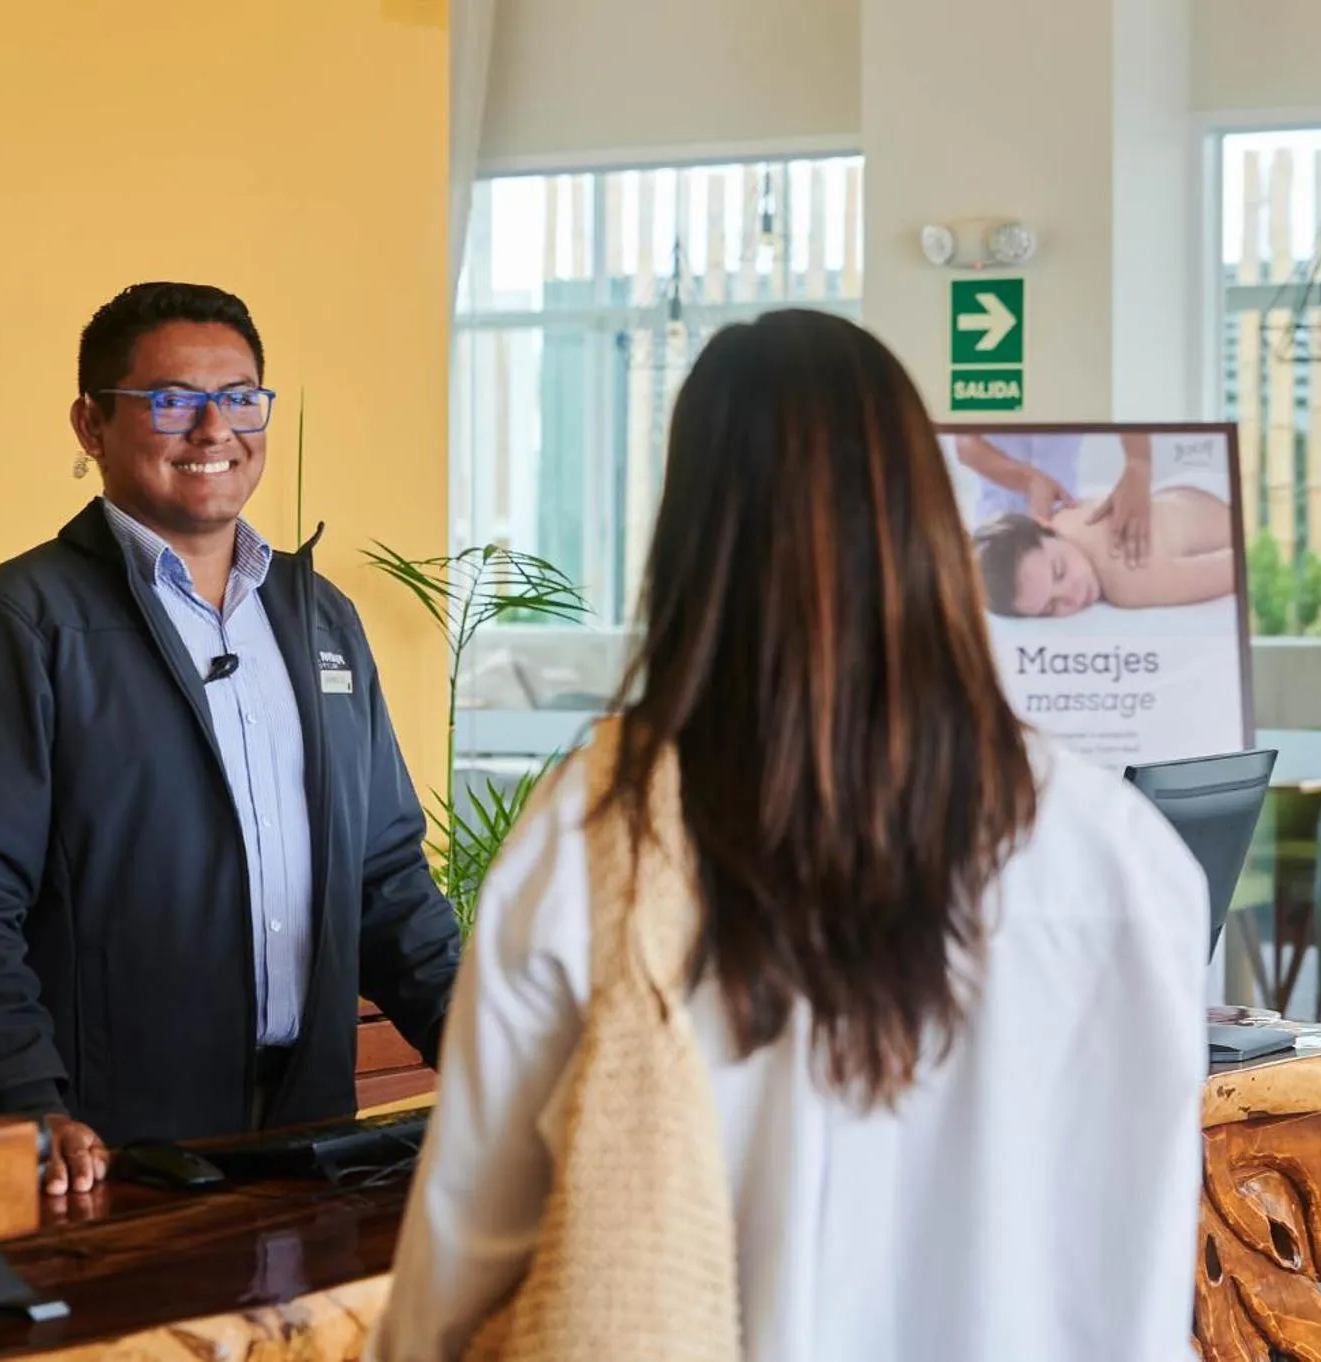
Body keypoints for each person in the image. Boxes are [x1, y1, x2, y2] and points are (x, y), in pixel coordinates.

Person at [373, 310, 1208, 1361]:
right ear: (930, 521)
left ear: (689, 532)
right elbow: (1139, 1256)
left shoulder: (598, 834)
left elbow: (468, 1244)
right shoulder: (1117, 852)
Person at [0, 282, 460, 1196]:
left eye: (239, 397)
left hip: (312, 1134)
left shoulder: (319, 617)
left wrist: (490, 1056)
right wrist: (26, 1099)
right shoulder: (15, 621)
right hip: (111, 1147)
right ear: (91, 424)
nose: (214, 429)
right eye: (171, 400)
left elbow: (384, 876)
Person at [974, 480, 1236, 618]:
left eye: (1060, 572)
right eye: (1049, 608)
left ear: (1046, 526)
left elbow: (1239, 568)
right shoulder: (1066, 517)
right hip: (1186, 490)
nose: (1071, 597)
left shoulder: (1129, 579)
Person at [955, 430, 1156, 565]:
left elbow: (1124, 388)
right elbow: (965, 444)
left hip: (1065, 513)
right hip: (997, 517)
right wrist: (1027, 480)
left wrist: (1138, 465)